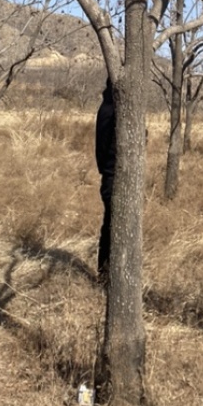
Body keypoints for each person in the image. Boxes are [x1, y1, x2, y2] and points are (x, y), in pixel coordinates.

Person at [95, 79, 116, 277]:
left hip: (109, 174)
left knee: (110, 225)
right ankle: (104, 274)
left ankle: (106, 272)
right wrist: (108, 170)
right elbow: (102, 149)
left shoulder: (108, 108)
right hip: (112, 176)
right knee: (111, 226)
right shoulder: (110, 111)